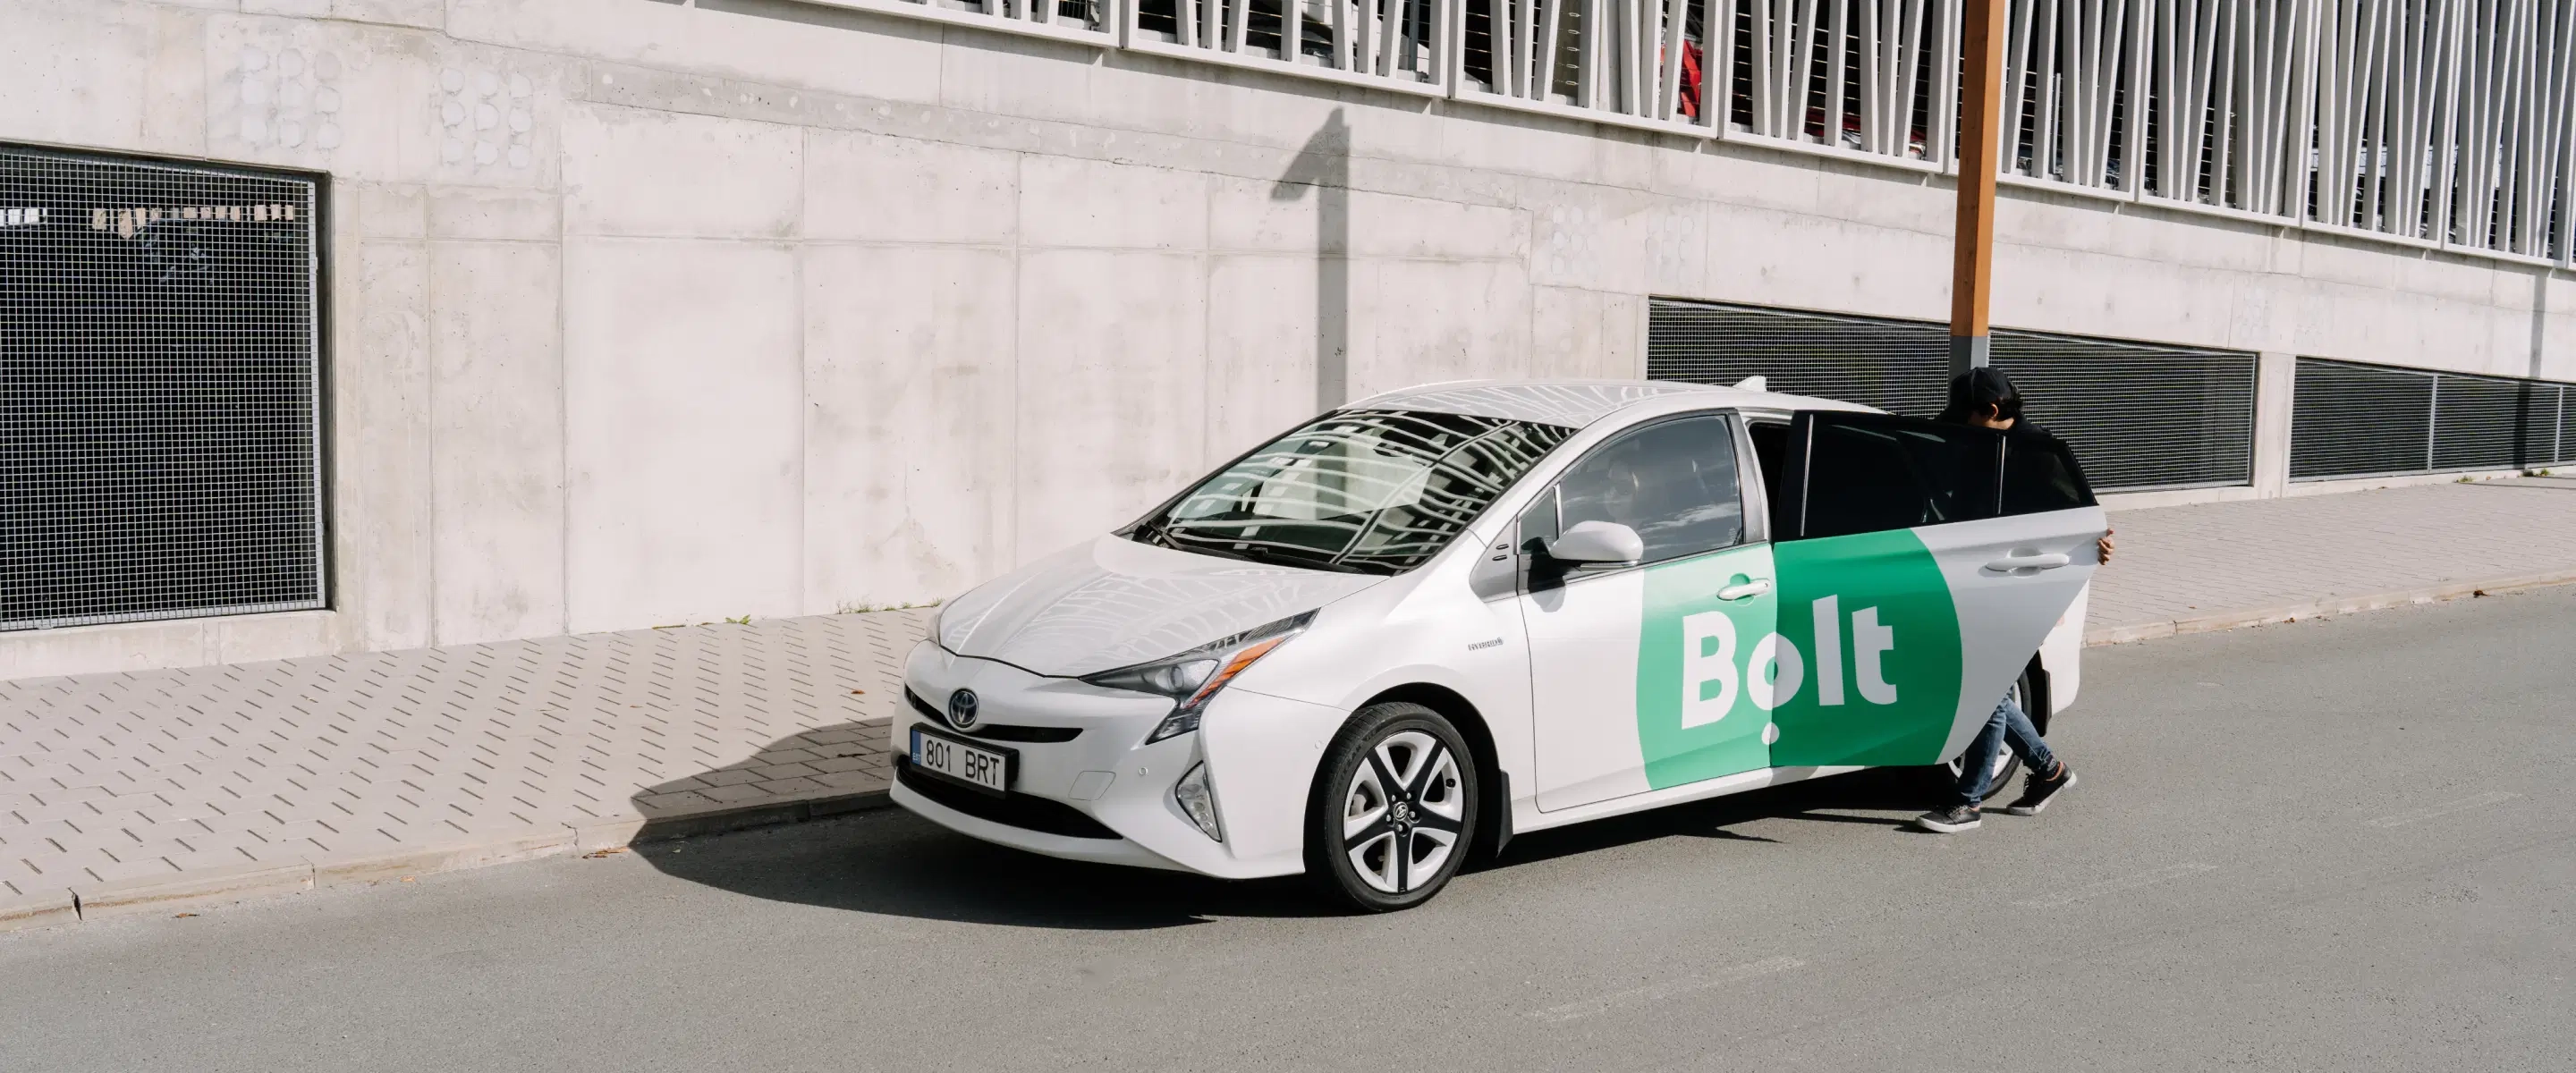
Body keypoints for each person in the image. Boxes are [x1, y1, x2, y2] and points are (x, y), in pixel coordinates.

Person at [1913, 368, 2114, 834]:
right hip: (1983, 581)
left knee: (1984, 684)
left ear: (1993, 410)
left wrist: (2099, 541)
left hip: (2026, 584)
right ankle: (2050, 772)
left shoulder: (2039, 452)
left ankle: (1969, 802)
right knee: (1995, 688)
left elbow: (2084, 515)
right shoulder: (1978, 445)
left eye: (1967, 417)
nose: (1960, 428)